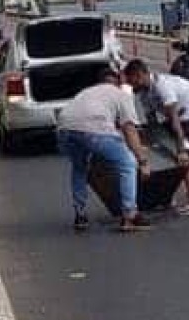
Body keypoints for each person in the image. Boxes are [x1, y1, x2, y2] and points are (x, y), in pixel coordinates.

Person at [56, 66, 150, 234]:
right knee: (127, 163)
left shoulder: (87, 92)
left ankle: (80, 214)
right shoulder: (120, 95)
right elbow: (129, 129)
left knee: (80, 167)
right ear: (119, 83)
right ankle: (129, 215)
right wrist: (142, 160)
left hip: (64, 129)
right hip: (94, 130)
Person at [125, 58, 189, 215]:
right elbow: (152, 123)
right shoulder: (143, 93)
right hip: (180, 115)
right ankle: (168, 194)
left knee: (184, 156)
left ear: (140, 75)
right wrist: (148, 143)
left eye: (132, 82)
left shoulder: (162, 86)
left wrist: (181, 149)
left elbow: (174, 119)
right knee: (166, 152)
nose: (131, 86)